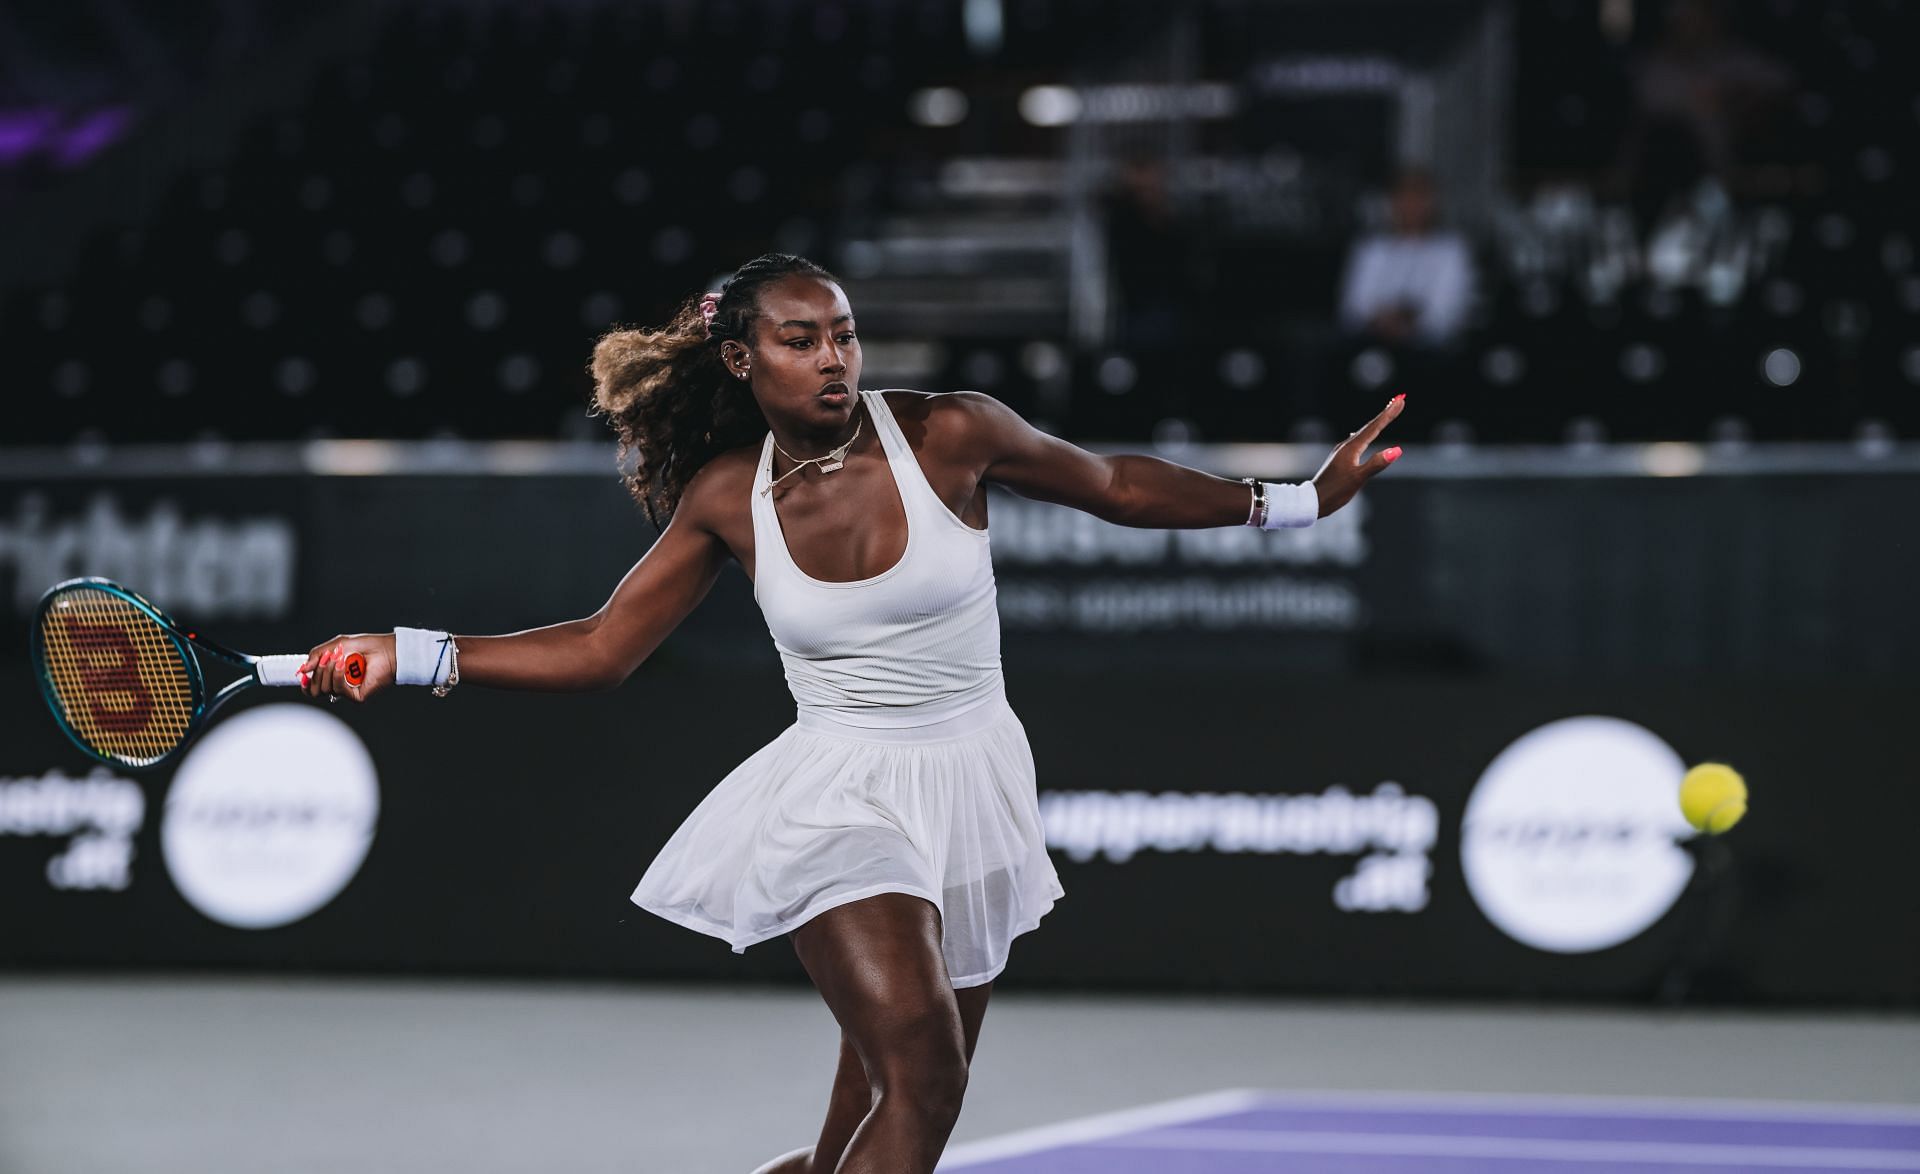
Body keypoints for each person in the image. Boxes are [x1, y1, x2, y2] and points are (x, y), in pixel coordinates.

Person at [293, 253, 1405, 1174]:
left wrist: (1301, 500)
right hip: (837, 795)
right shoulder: (728, 496)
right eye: (799, 337)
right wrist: (412, 653)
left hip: (974, 783)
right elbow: (599, 647)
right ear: (742, 358)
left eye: (844, 333)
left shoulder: (951, 434)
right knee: (925, 1076)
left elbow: (1113, 485)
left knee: (873, 1137)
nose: (832, 356)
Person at [1337, 167, 1475, 349]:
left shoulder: (1450, 250)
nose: (1410, 205)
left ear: (1431, 203)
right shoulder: (1371, 249)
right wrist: (1382, 320)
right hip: (1372, 341)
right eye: (1403, 197)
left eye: (1418, 197)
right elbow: (1353, 306)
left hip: (1429, 350)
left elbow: (1447, 312)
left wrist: (1408, 320)